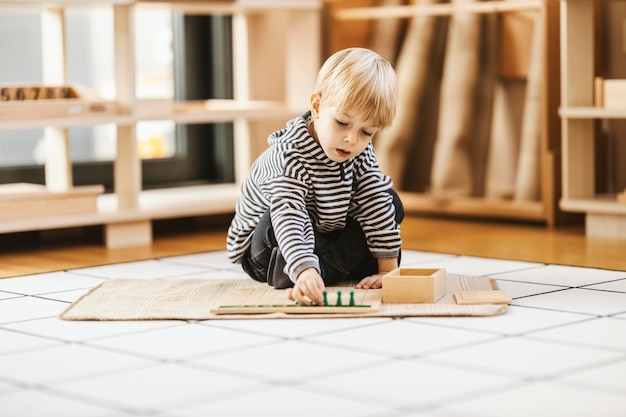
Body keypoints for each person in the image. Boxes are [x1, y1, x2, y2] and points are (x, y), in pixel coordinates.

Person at [227, 47, 404, 306]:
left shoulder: (359, 150)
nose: (352, 139)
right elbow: (290, 214)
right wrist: (304, 268)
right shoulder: (289, 156)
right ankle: (309, 271)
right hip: (266, 247)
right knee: (283, 220)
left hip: (321, 233)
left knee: (390, 200)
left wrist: (388, 270)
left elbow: (374, 203)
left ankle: (322, 270)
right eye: (342, 123)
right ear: (317, 106)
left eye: (366, 132)